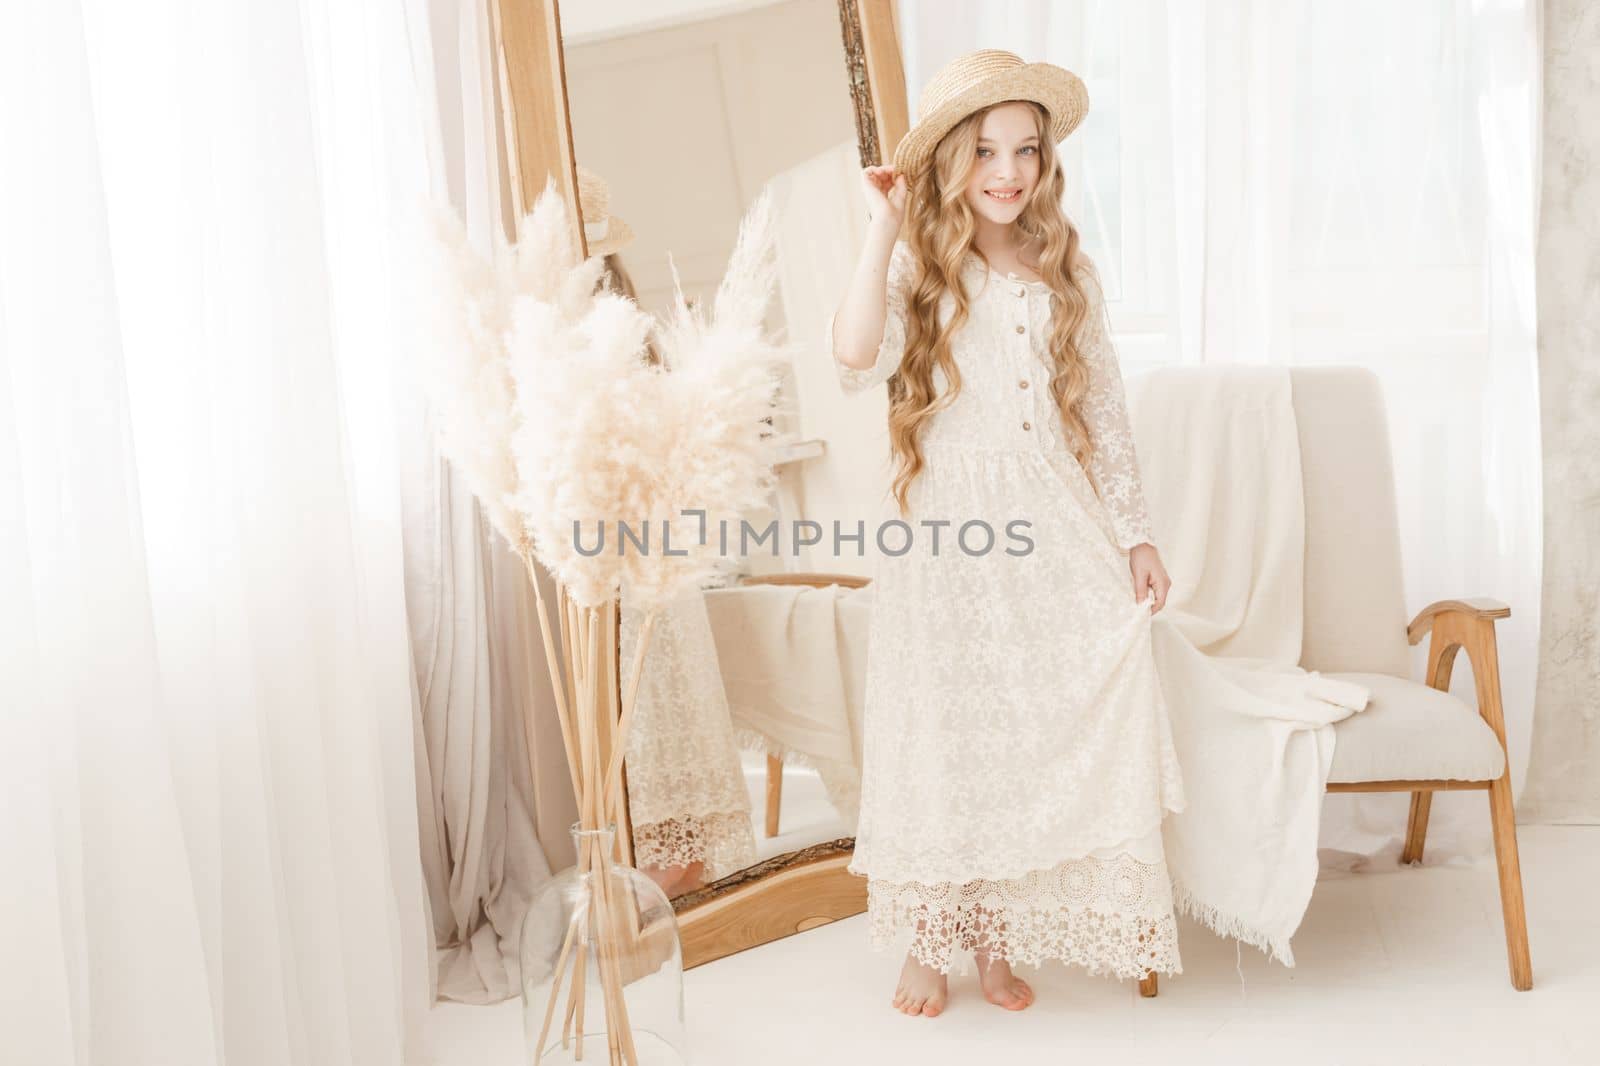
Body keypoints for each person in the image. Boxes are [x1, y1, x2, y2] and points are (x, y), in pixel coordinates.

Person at [830, 50, 1186, 1018]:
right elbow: (854, 355)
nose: (1007, 169)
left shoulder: (1062, 265)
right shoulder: (917, 264)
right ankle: (928, 939)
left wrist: (1133, 535)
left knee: (1026, 727)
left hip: (1052, 515)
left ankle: (996, 935)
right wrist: (883, 229)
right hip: (947, 530)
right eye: (985, 149)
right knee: (946, 726)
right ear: (951, 158)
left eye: (1025, 149)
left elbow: (1101, 413)